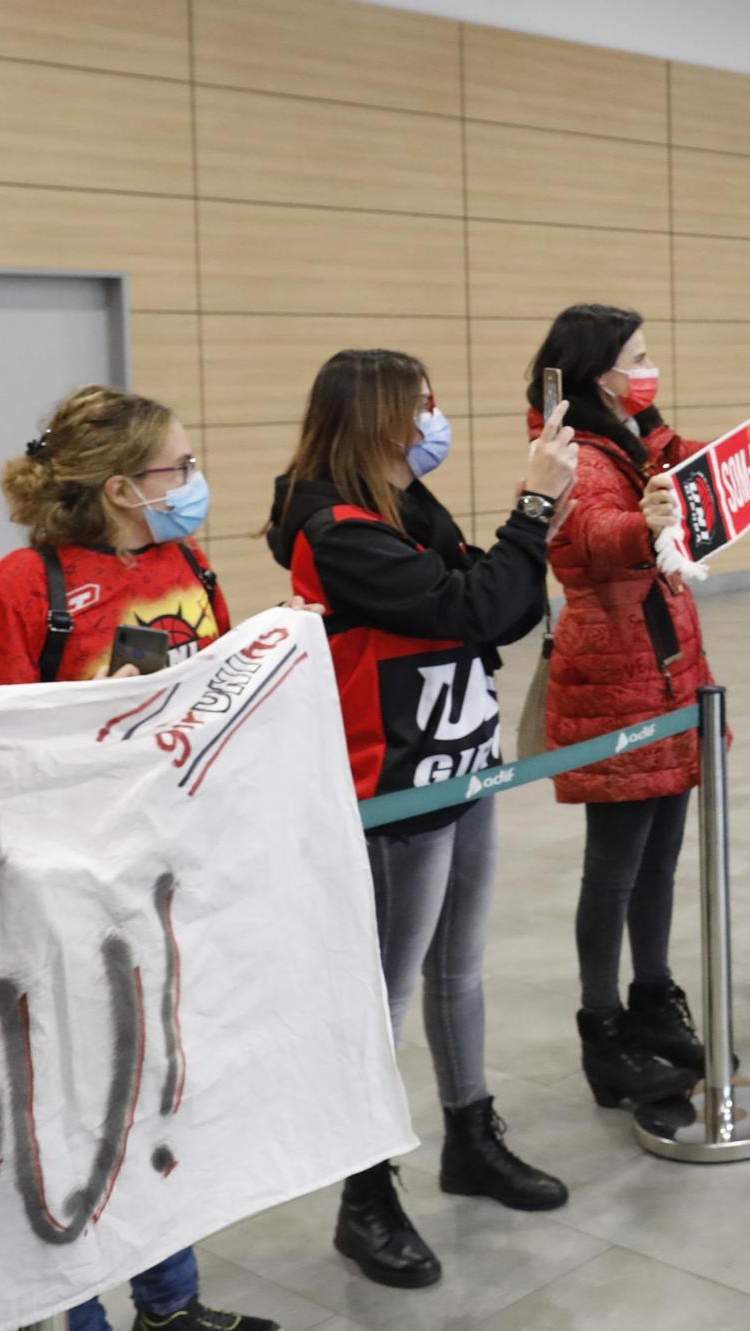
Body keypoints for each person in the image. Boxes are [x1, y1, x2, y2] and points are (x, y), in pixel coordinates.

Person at [0, 386, 277, 1331]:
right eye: (176, 468)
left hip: (167, 877)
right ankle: (78, 1315)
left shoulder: (186, 560)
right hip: (57, 904)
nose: (193, 482)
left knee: (157, 1099)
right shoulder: (21, 591)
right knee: (70, 1114)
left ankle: (169, 1303)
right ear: (121, 488)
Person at [267, 349, 576, 1289]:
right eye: (420, 408)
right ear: (376, 419)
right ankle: (364, 1194)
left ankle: (469, 1136)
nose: (432, 423)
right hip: (393, 781)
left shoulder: (402, 504)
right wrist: (528, 514)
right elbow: (474, 599)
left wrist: (525, 537)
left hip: (459, 756)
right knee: (386, 993)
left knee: (461, 964)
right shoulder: (334, 524)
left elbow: (500, 611)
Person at [526, 305, 714, 1103]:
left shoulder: (628, 435)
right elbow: (591, 536)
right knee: (615, 866)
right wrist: (645, 526)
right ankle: (602, 1029)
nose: (649, 368)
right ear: (599, 369)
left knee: (660, 857)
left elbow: (689, 465)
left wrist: (670, 432)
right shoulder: (570, 451)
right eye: (637, 358)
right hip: (616, 677)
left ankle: (652, 997)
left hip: (661, 666)